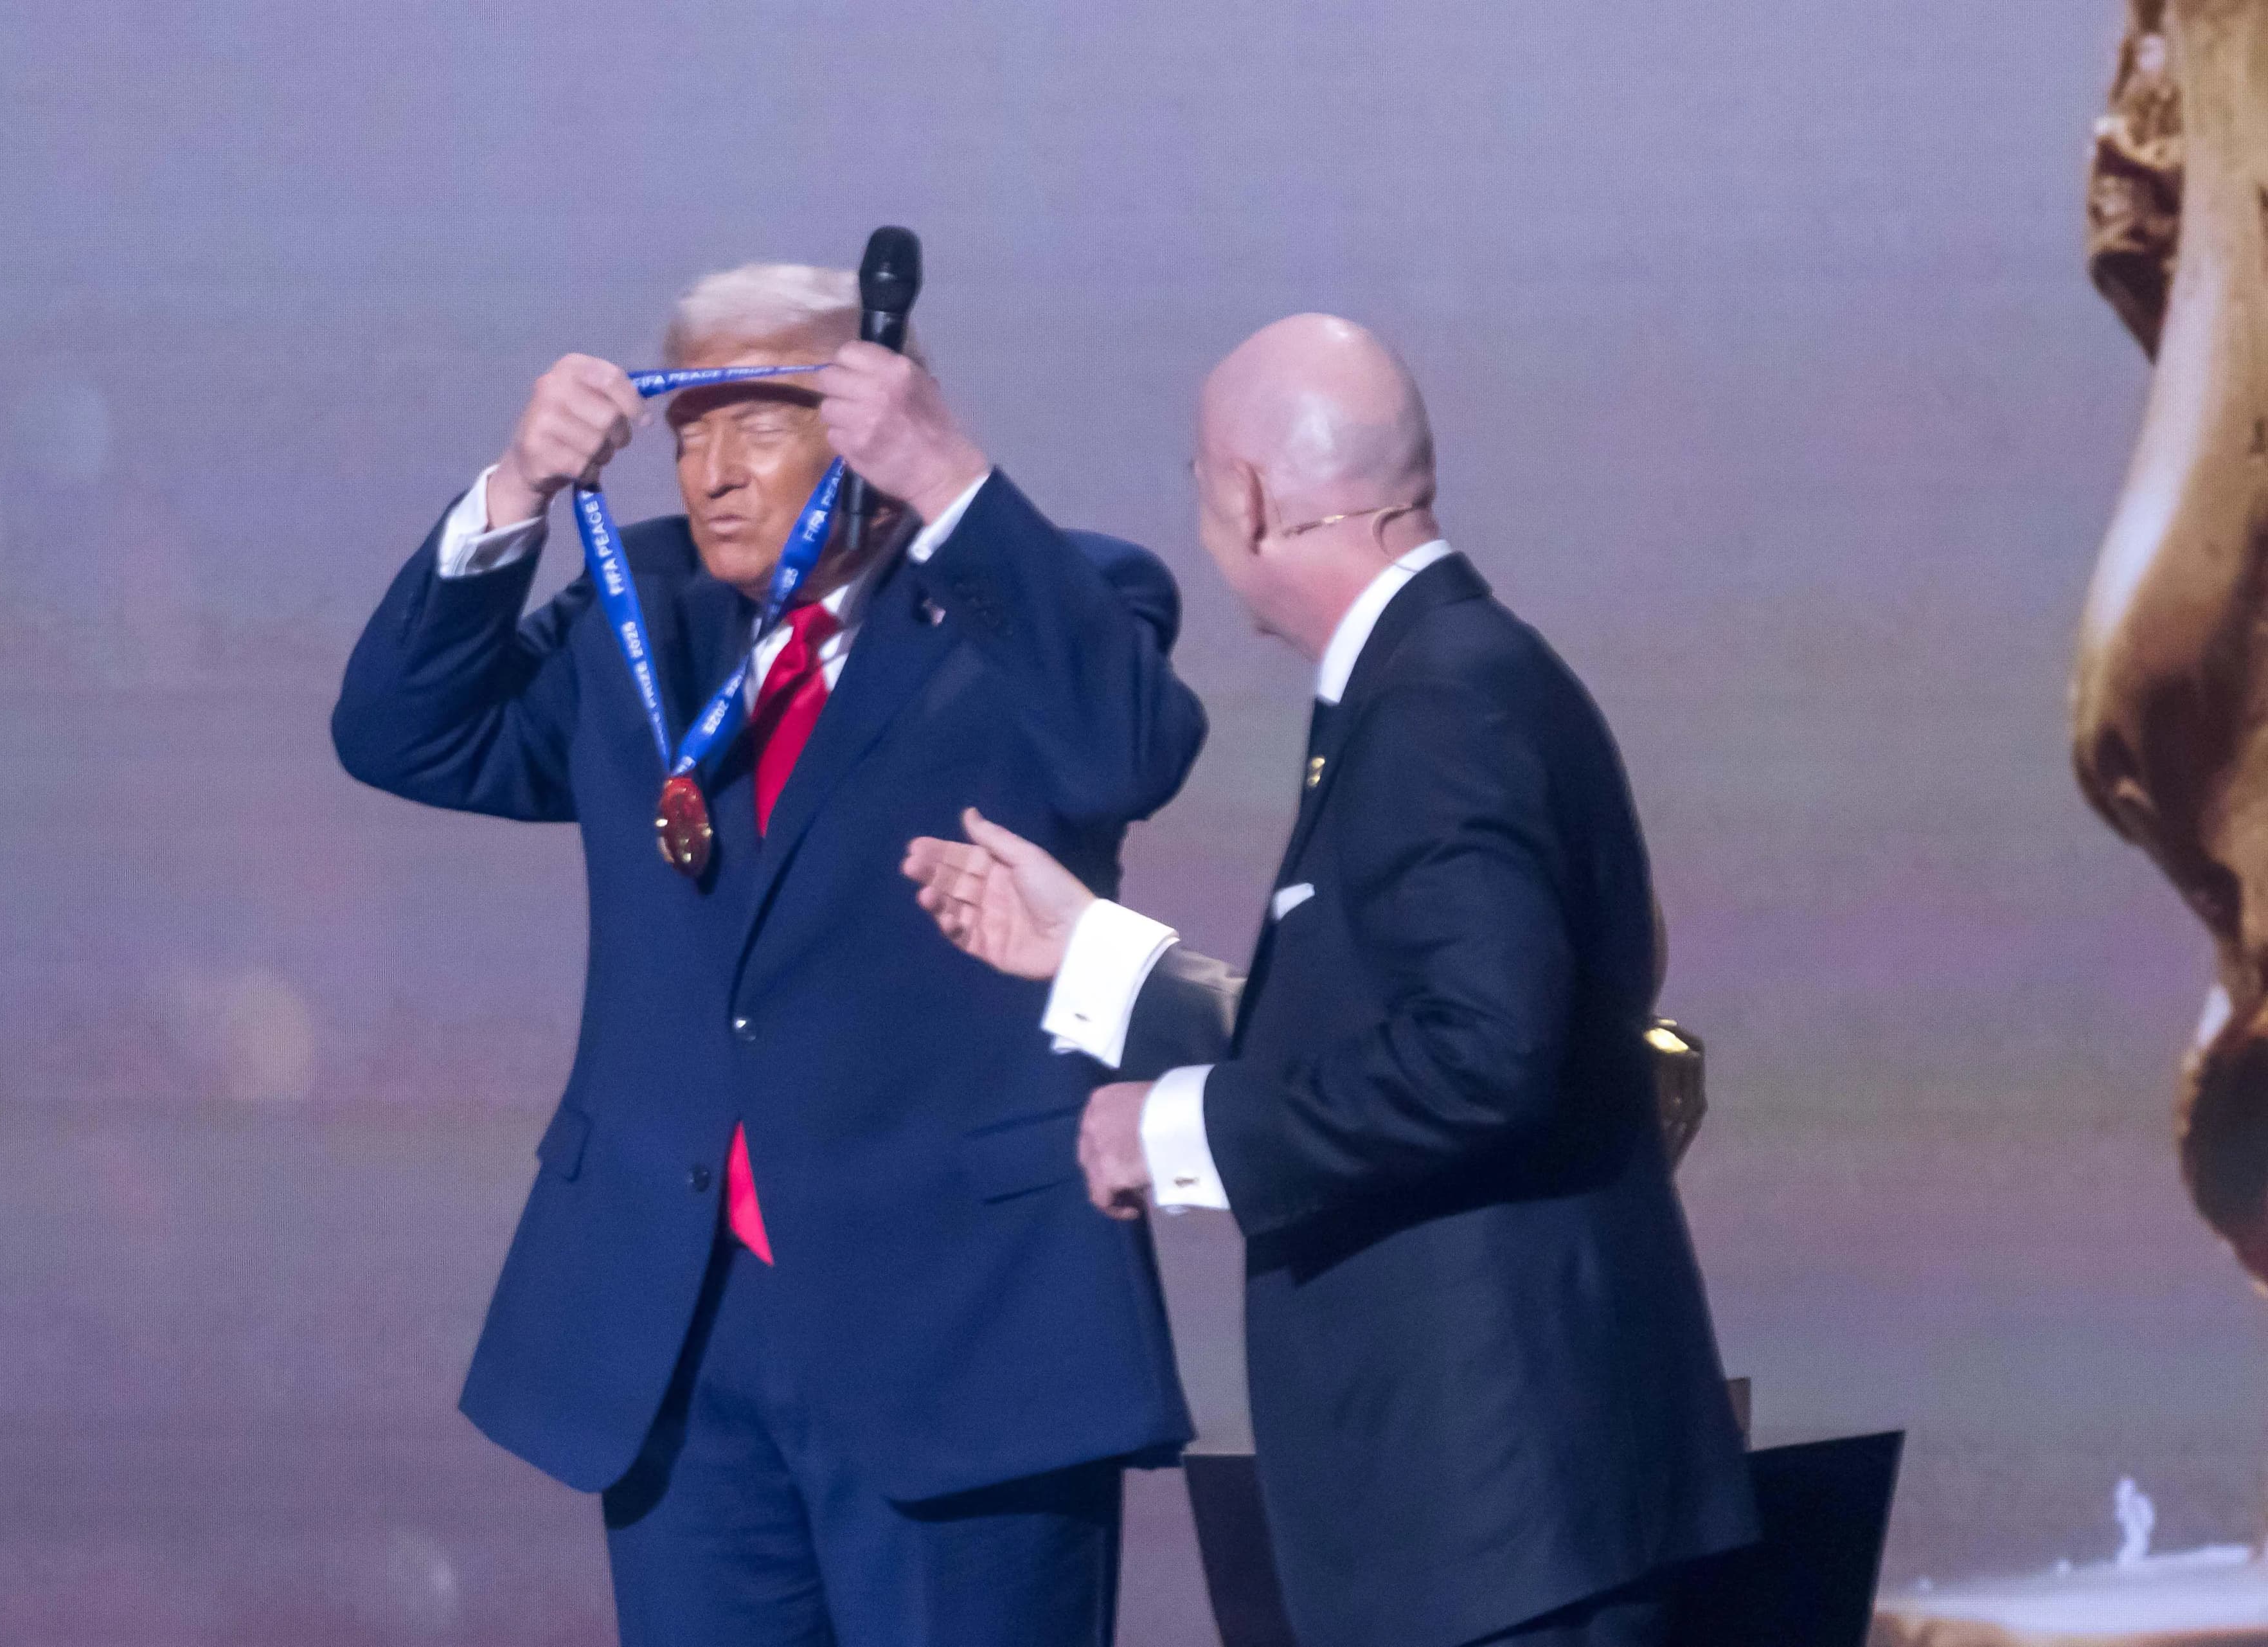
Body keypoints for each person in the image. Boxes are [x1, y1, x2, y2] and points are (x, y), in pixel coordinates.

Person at [332, 263, 1205, 1647]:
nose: (711, 473)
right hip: (678, 1330)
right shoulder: (656, 614)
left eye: (757, 424)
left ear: (868, 415)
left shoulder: (1050, 596)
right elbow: (404, 734)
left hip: (951, 1334)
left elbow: (1127, 748)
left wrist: (949, 478)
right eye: (687, 431)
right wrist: (509, 494)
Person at [902, 314, 1757, 1647]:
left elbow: (1480, 1055)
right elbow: (1372, 1027)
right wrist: (1093, 955)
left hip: (1505, 1527)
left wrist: (1173, 1129)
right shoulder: (1443, 680)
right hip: (1487, 1524)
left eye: (1197, 483)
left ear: (1247, 494)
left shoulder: (1444, 703)